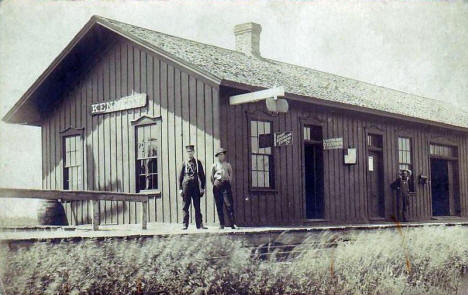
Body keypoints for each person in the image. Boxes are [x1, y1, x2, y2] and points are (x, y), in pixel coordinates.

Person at [178, 144, 207, 230]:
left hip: (195, 186)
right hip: (186, 186)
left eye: (191, 151)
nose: (189, 153)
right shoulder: (184, 163)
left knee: (197, 205)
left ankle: (199, 224)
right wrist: (180, 189)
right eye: (188, 152)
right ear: (186, 153)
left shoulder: (198, 163)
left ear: (194, 152)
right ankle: (184, 224)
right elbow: (180, 177)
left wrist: (202, 188)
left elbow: (202, 176)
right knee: (185, 205)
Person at [211, 148, 236, 229]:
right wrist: (215, 183)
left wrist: (228, 182)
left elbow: (231, 174)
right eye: (219, 154)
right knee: (219, 205)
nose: (221, 156)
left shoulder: (228, 165)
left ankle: (233, 224)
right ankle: (221, 224)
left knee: (229, 204)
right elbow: (211, 176)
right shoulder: (214, 165)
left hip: (226, 184)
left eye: (222, 154)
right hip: (217, 185)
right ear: (217, 156)